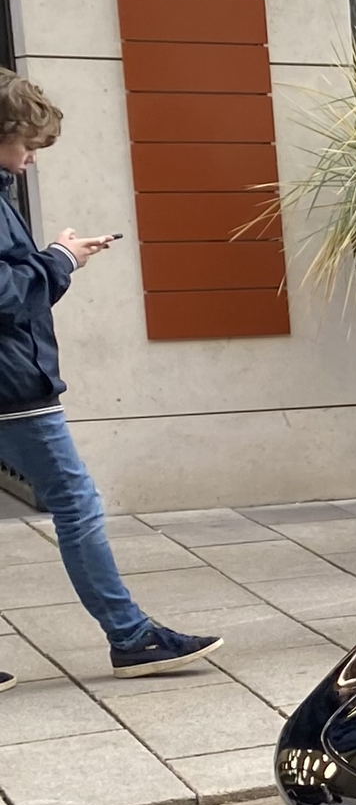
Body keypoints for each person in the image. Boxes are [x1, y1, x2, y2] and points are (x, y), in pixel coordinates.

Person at [0, 72, 219, 681]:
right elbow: (6, 295)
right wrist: (61, 260)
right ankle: (131, 637)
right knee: (75, 502)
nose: (30, 160)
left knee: (75, 502)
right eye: (28, 144)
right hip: (12, 385)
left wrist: (54, 260)